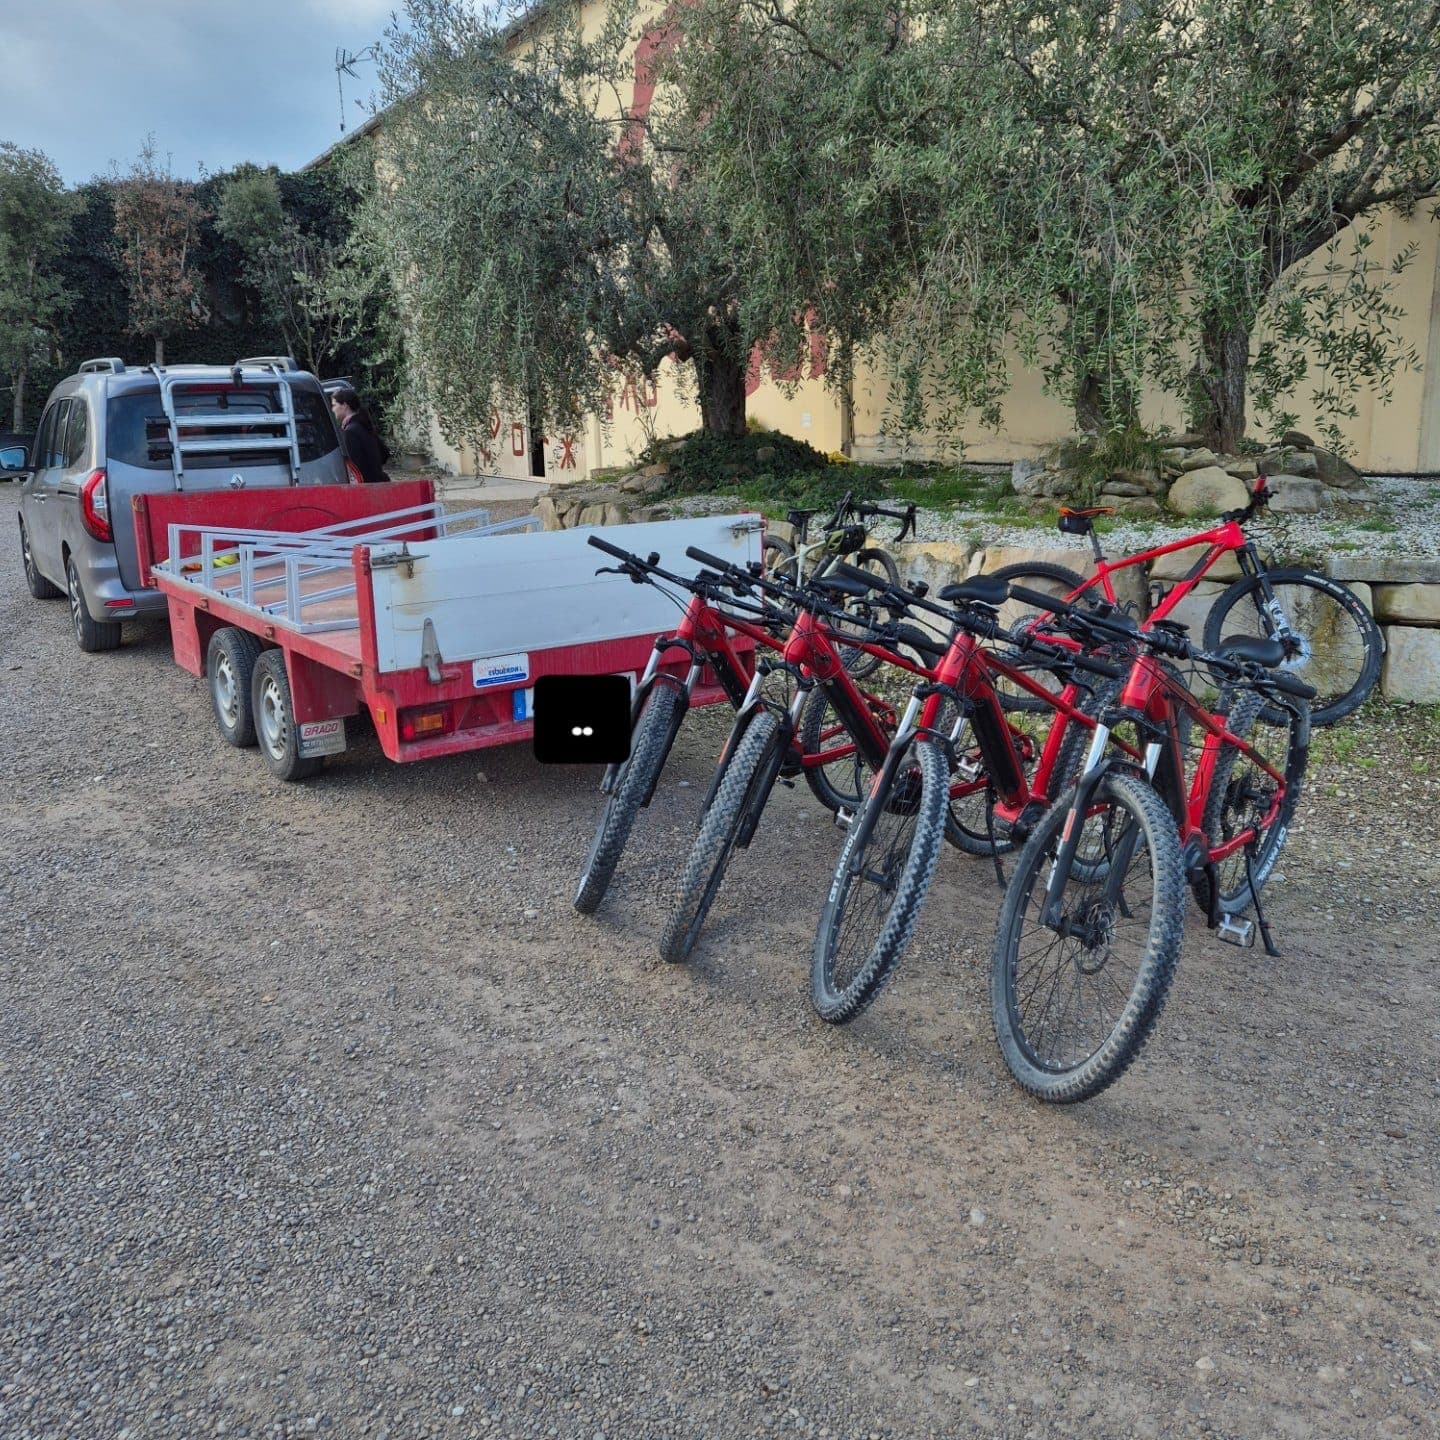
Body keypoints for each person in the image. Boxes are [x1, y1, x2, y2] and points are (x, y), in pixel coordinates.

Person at [330, 386, 391, 483]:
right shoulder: (364, 424)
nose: (333, 409)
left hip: (367, 488)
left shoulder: (351, 431)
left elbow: (357, 468)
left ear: (345, 405)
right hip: (380, 483)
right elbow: (384, 454)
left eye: (334, 405)